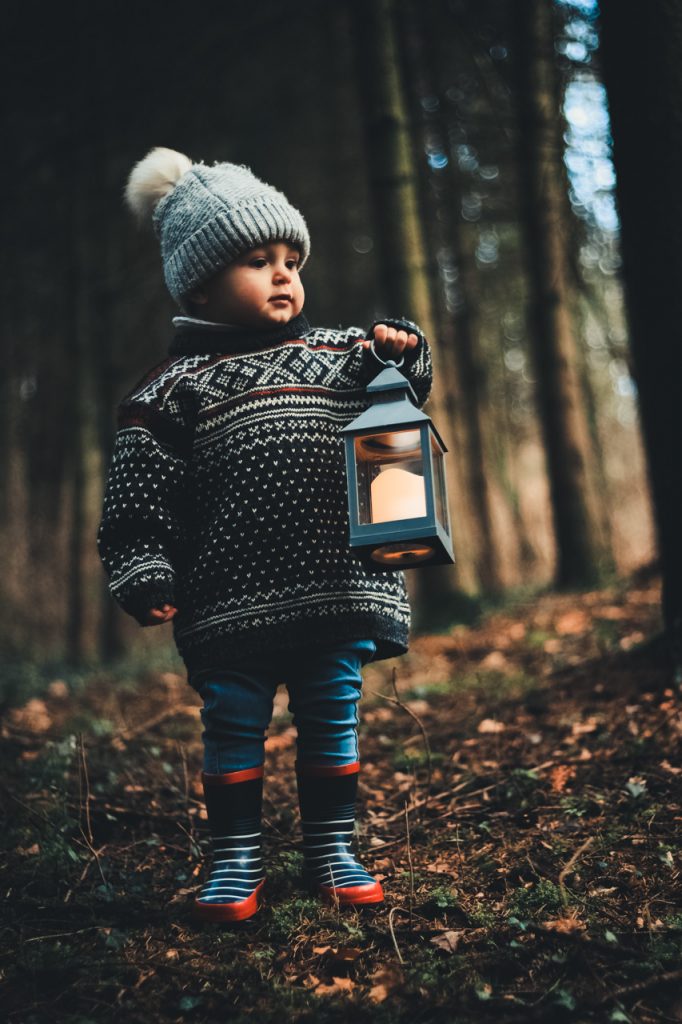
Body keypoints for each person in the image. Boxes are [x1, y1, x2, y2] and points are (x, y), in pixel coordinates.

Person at [97, 147, 433, 923]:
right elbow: (139, 499)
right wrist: (142, 566)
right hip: (228, 605)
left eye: (292, 258)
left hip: (336, 589)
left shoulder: (338, 358)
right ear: (203, 283)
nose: (284, 274)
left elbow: (402, 387)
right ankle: (235, 860)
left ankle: (332, 848)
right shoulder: (167, 393)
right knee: (234, 727)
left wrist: (403, 349)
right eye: (258, 260)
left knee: (332, 715)